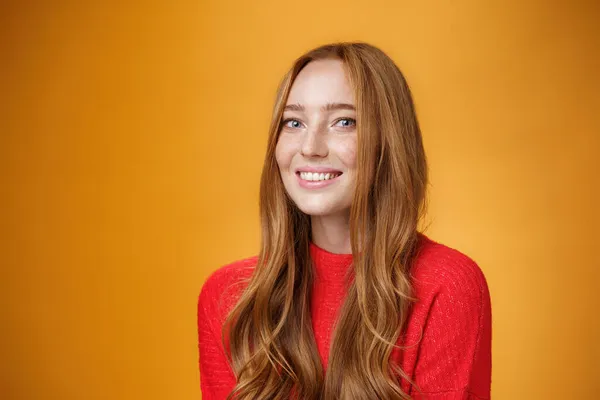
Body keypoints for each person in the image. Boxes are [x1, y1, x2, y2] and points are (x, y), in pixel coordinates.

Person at [197, 42, 492, 400]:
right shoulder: (230, 298)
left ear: (389, 140)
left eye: (344, 121)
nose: (311, 147)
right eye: (294, 122)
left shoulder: (447, 286)